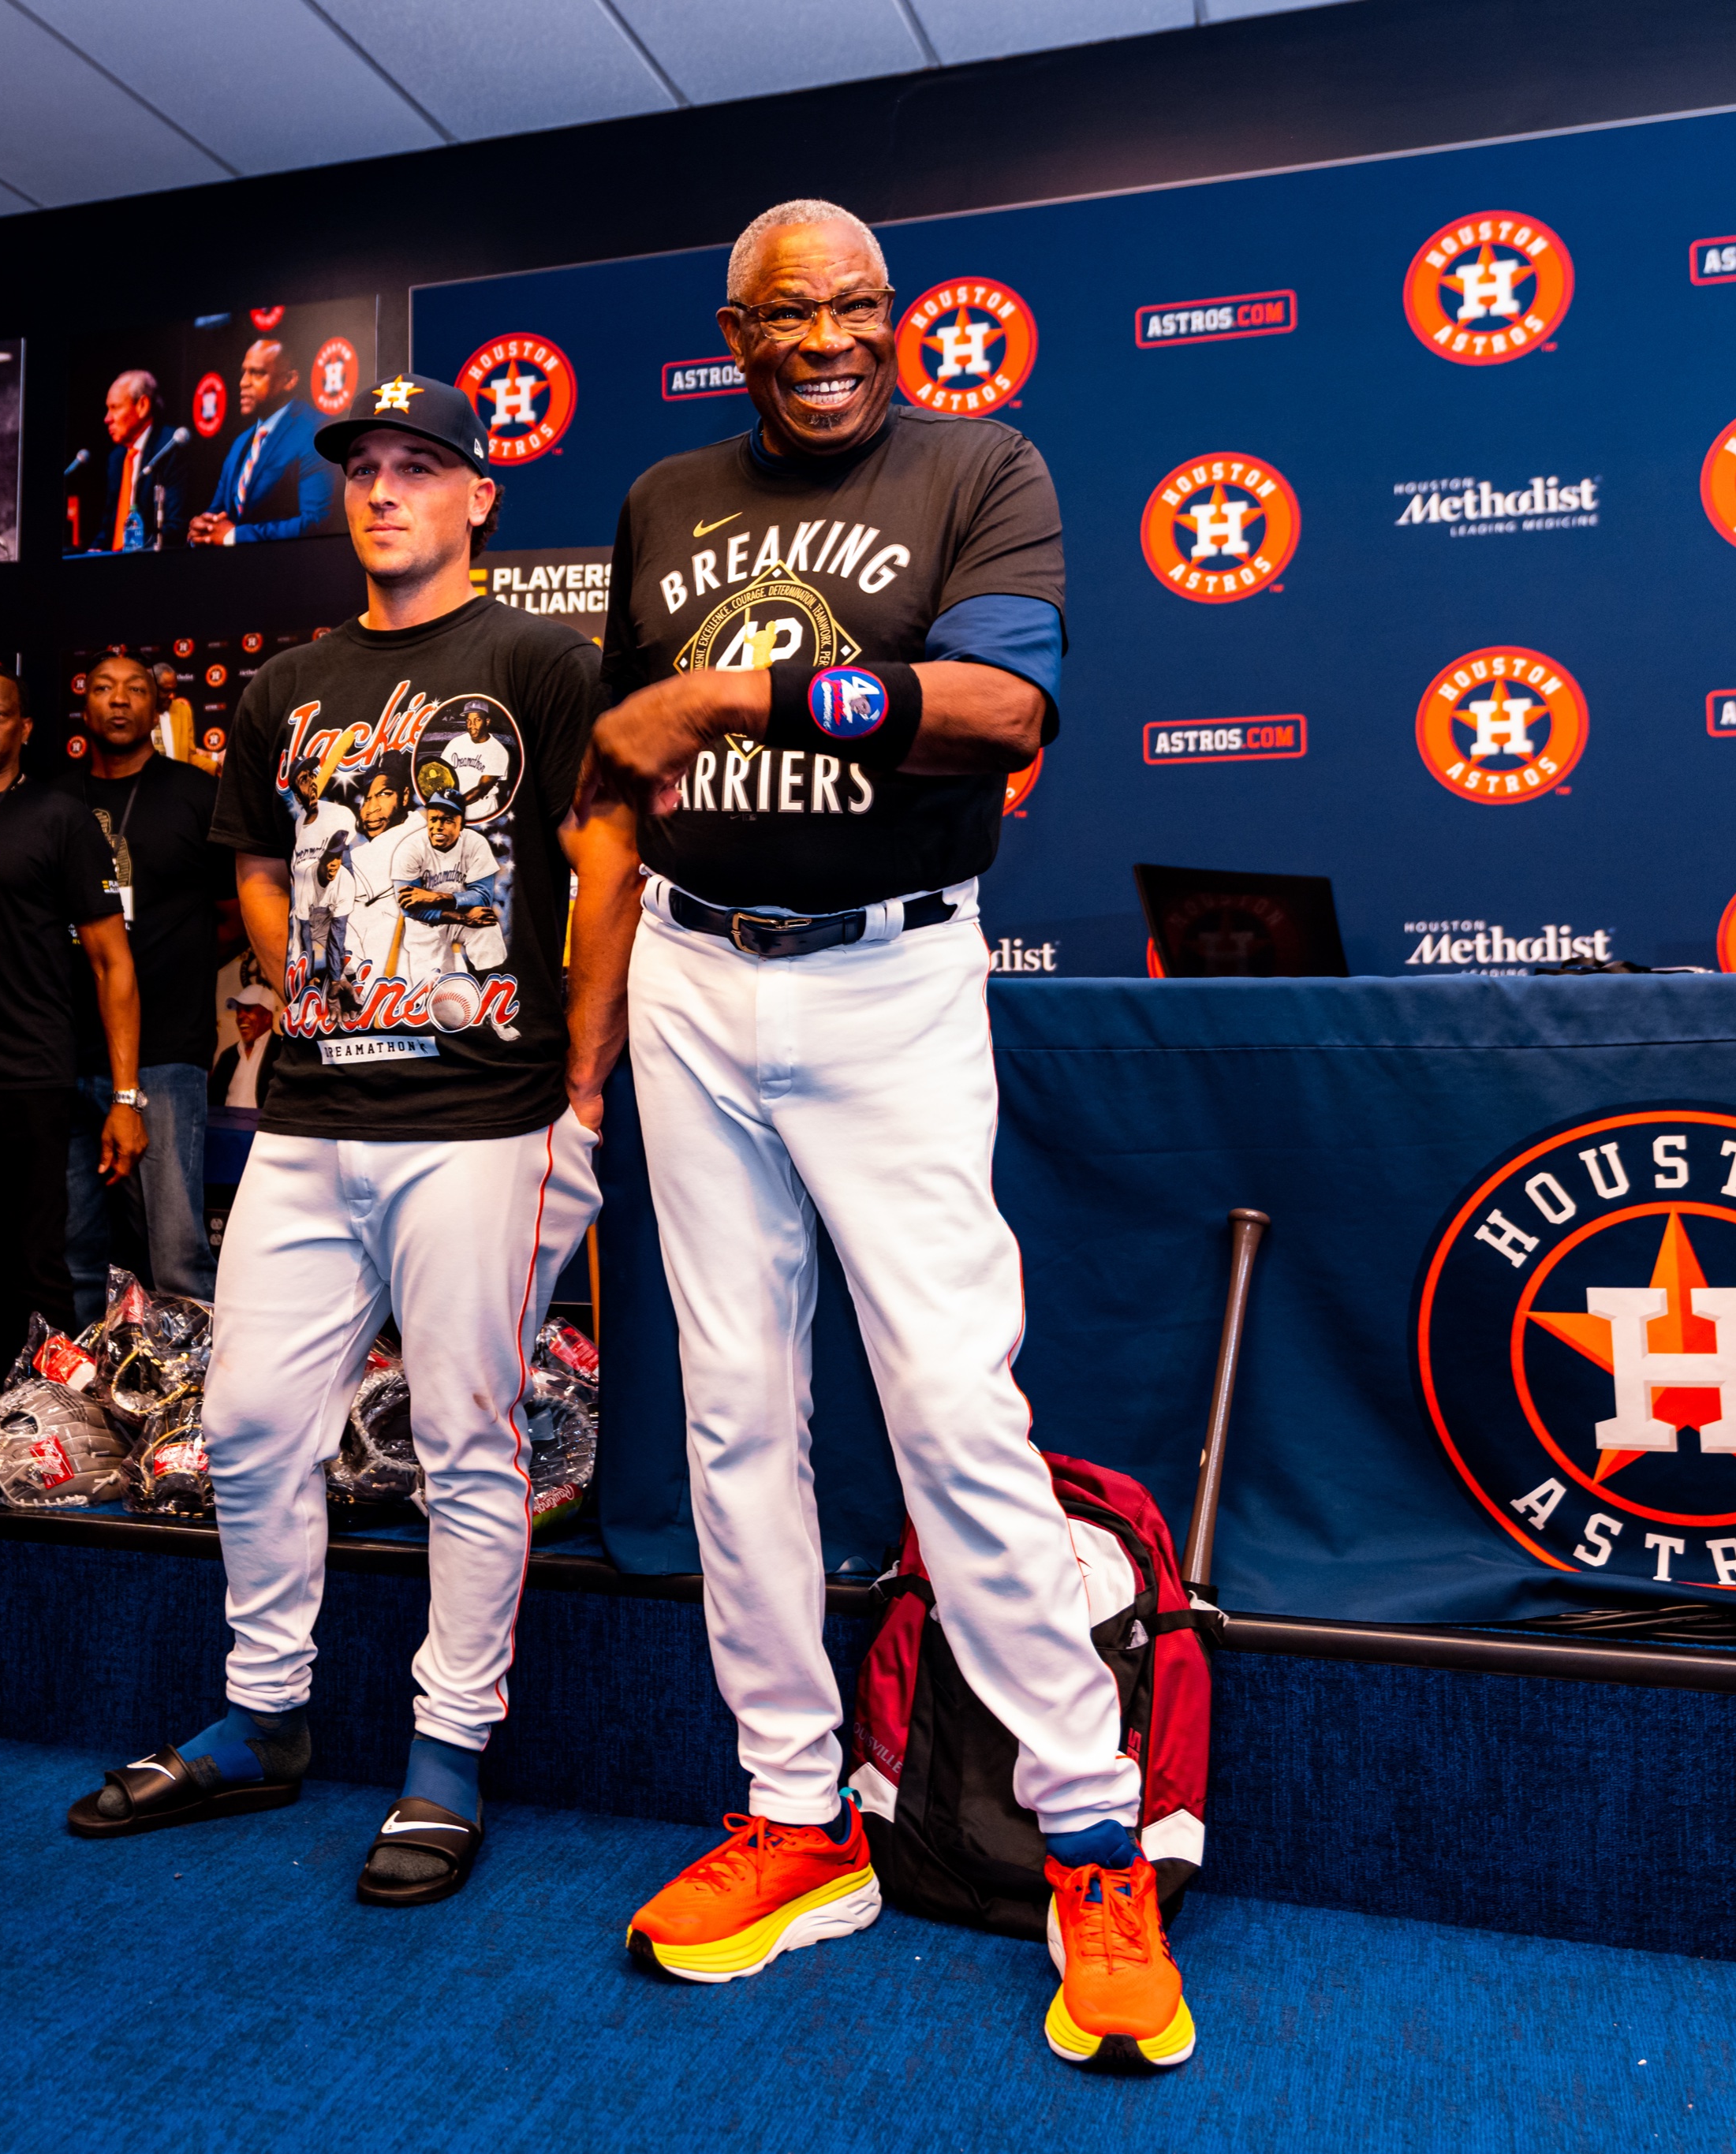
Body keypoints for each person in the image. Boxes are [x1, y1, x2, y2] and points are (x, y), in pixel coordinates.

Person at [578, 200, 1192, 2063]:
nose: (831, 334)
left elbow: (1005, 708)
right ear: (734, 330)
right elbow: (624, 771)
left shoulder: (978, 465)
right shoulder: (666, 496)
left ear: (894, 316)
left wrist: (741, 691)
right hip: (694, 966)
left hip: (890, 975)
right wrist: (585, 1059)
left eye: (859, 303)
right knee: (732, 1406)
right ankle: (789, 1811)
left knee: (948, 1398)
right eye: (791, 311)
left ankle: (1090, 1840)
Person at [64, 375, 633, 1909]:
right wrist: (304, 986)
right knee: (245, 1420)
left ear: (477, 494)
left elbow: (606, 860)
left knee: (465, 1440)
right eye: (362, 467)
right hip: (308, 1106)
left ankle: (444, 1759)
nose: (383, 489)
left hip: (481, 1113)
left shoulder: (539, 661)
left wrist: (581, 1076)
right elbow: (259, 864)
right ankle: (266, 1716)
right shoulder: (286, 682)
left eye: (418, 466)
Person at [0, 663, 145, 1391]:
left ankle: (47, 1422)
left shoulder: (59, 816)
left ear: (24, 728)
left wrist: (126, 1095)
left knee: (36, 1263)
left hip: (26, 1074)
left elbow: (113, 962)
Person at [58, 652, 229, 1305]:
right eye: (104, 688)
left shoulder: (195, 796)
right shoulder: (56, 799)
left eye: (135, 690)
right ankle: (75, 1398)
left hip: (165, 1049)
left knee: (177, 1250)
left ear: (158, 706)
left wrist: (174, 957)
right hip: (70, 1049)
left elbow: (237, 913)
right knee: (76, 1251)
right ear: (85, 706)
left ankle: (195, 1401)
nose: (120, 700)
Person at [188, 338, 335, 547]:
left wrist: (234, 536)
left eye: (257, 373)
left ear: (289, 380)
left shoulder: (314, 430)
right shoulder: (241, 443)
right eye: (244, 372)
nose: (243, 382)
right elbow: (217, 511)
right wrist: (202, 529)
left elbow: (316, 521)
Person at [96, 370, 185, 553]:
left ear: (142, 405)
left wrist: (132, 552)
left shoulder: (169, 447)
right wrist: (94, 550)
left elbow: (175, 526)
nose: (107, 419)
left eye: (115, 407)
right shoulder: (116, 458)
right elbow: (108, 528)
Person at [210, 981, 274, 1111]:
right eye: (238, 1011)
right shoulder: (228, 1056)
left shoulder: (282, 1053)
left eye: (248, 1010)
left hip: (264, 1129)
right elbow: (212, 1100)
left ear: (267, 1017)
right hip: (227, 1129)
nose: (240, 1016)